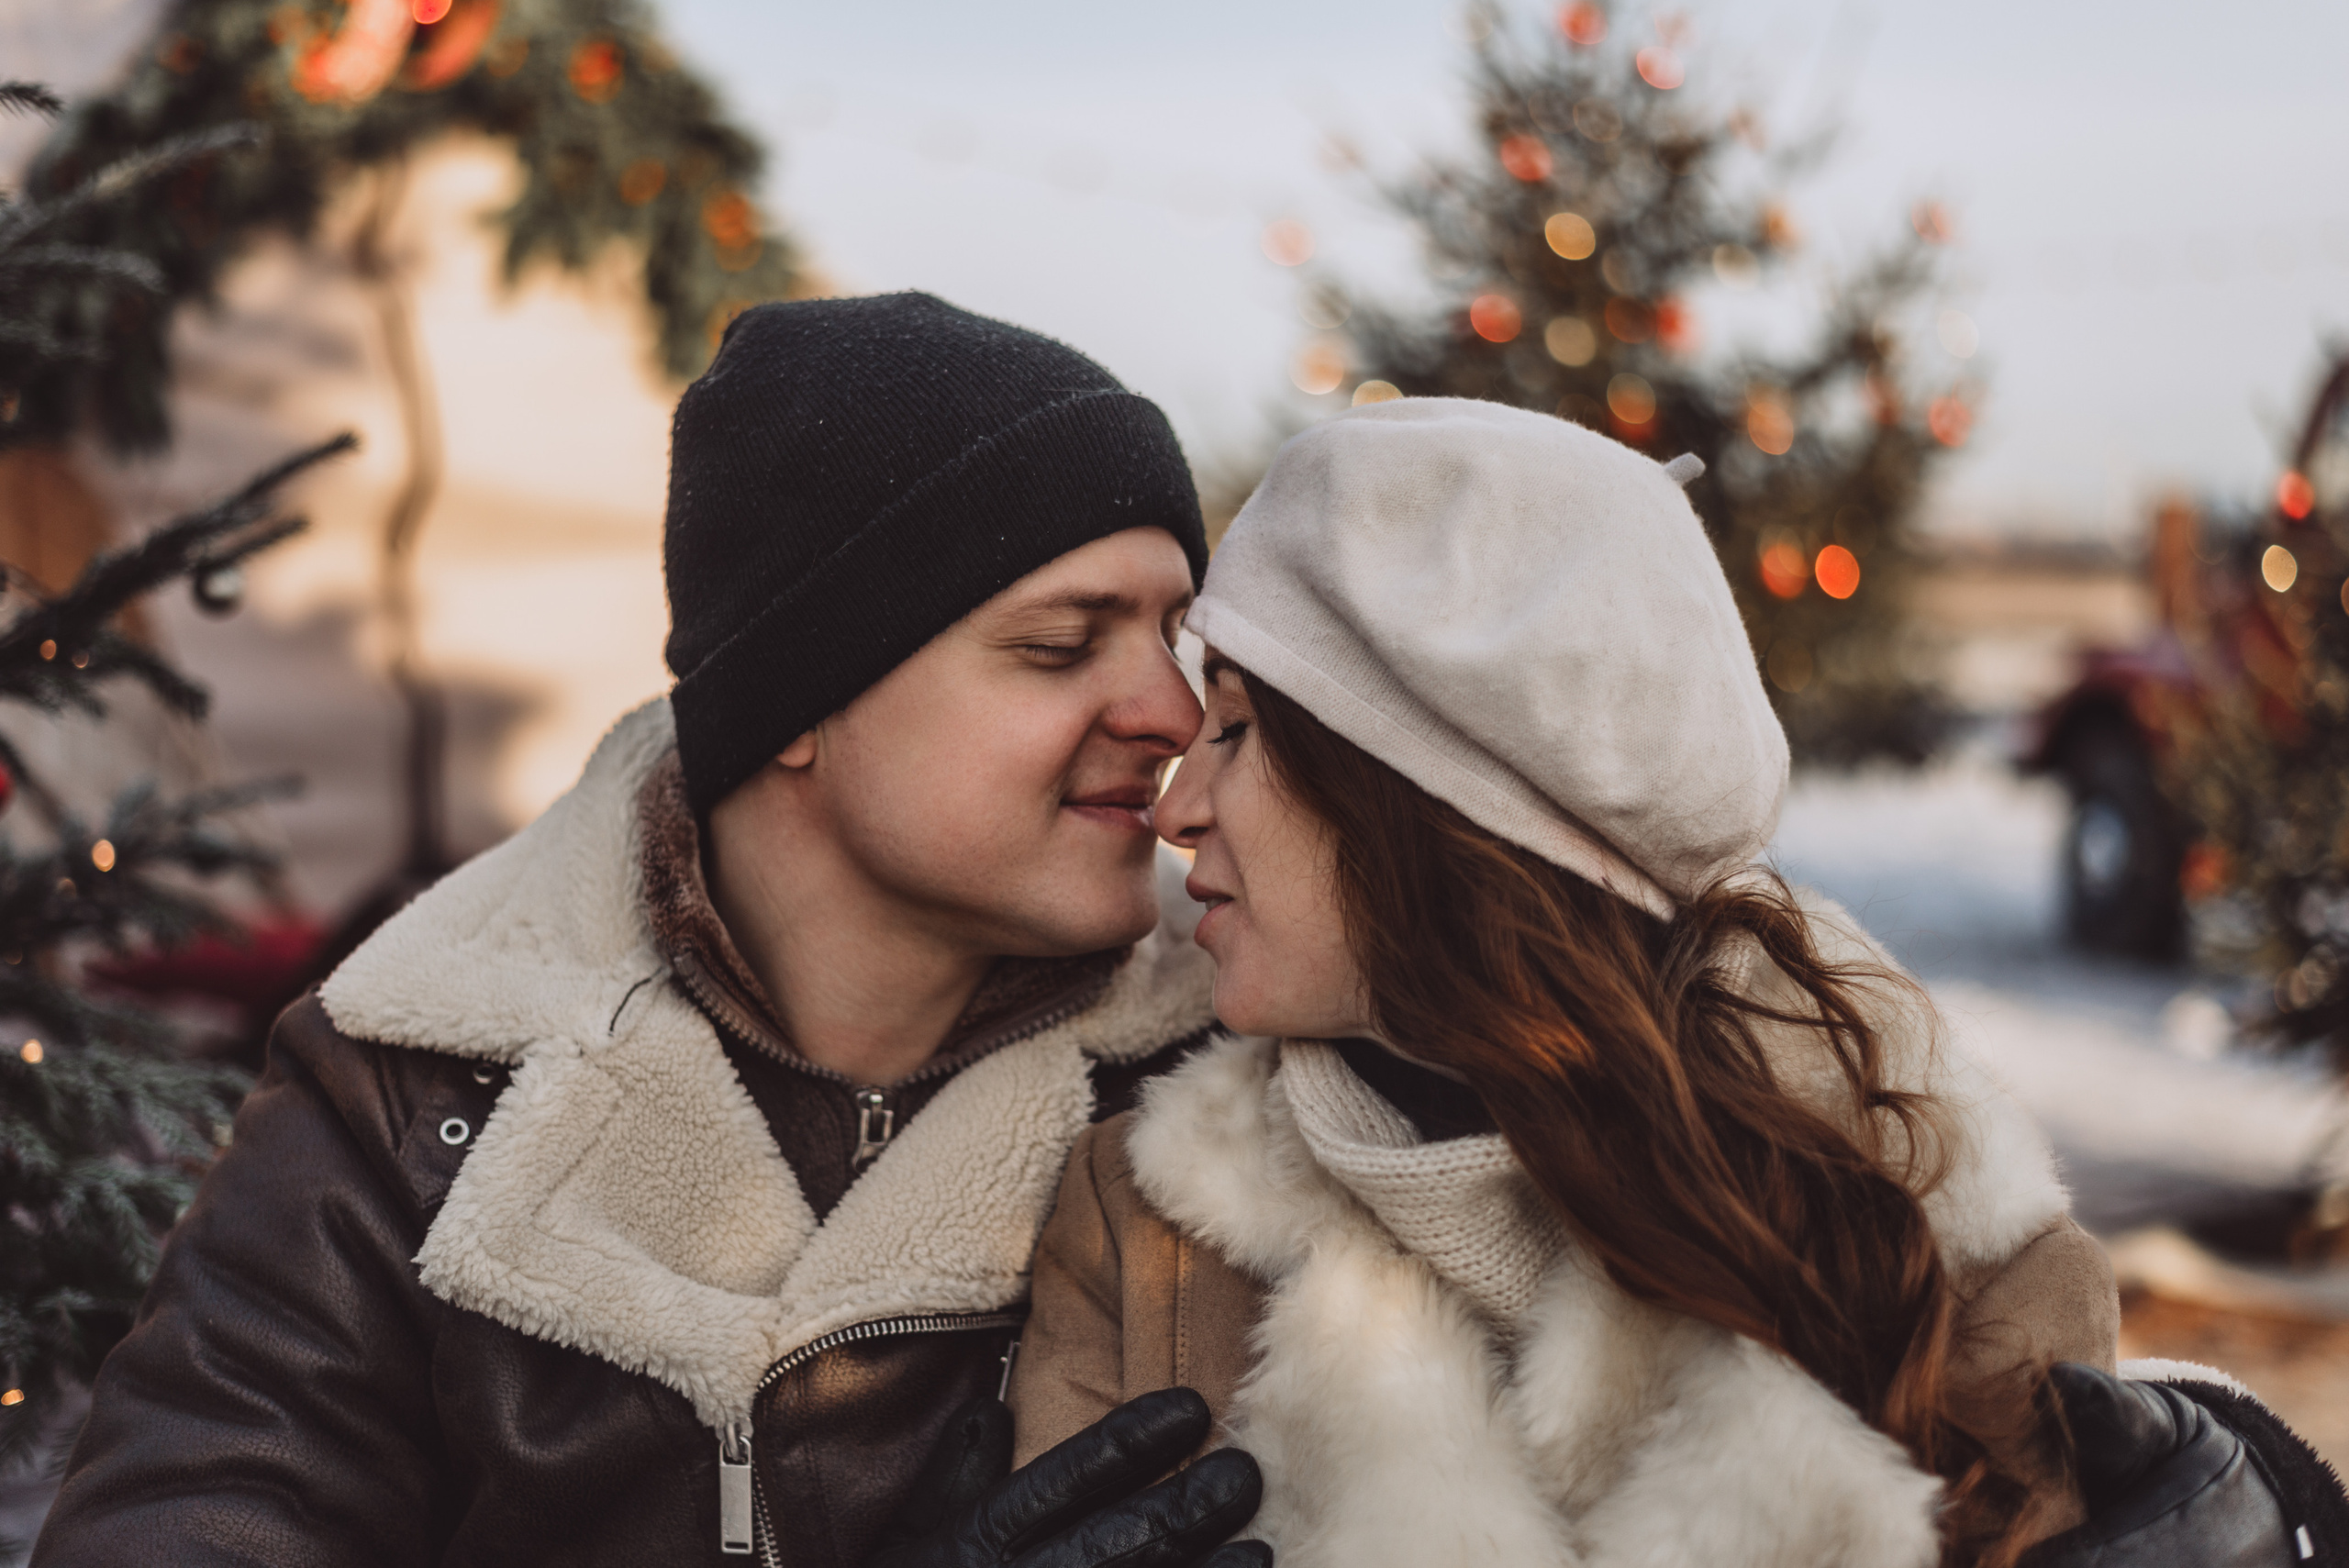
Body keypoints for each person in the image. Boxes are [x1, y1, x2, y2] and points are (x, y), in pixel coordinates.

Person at [30, 294, 1269, 1568]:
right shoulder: (414, 1094)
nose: (1175, 710)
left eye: (1176, 636)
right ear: (799, 698)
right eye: (1061, 644)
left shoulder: (1227, 1086)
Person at [1008, 397, 2349, 1567]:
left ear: (1424, 797)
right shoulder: (1144, 1226)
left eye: (1237, 727)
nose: (1177, 802)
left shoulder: (1929, 1234)